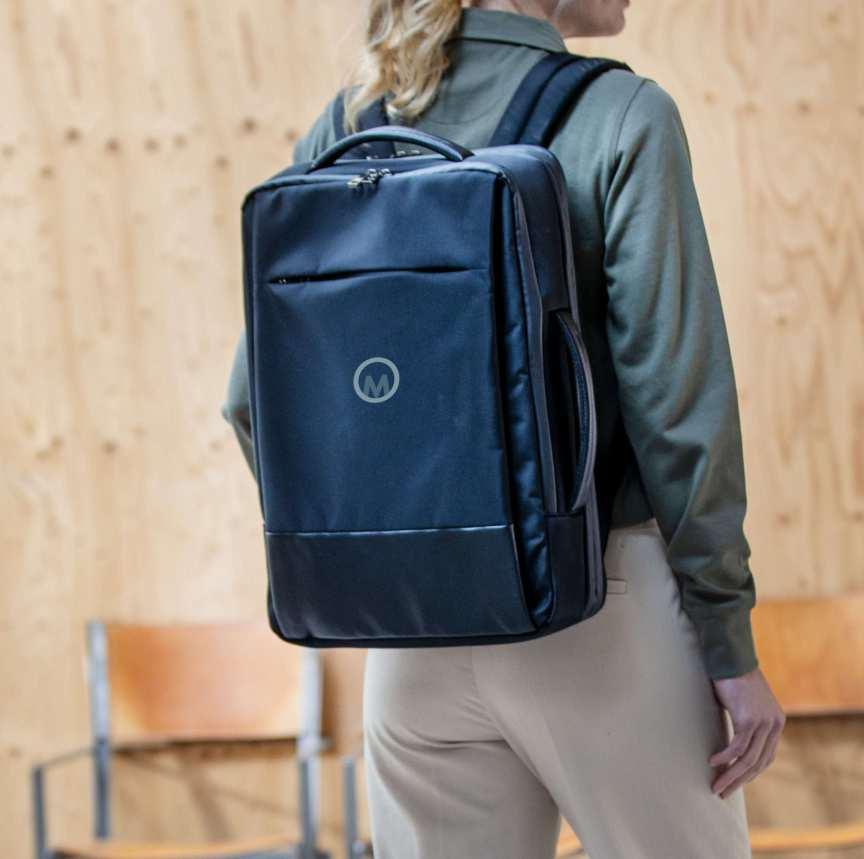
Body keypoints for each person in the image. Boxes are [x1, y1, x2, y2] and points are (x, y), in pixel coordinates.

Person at [221, 1, 787, 856]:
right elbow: (679, 414)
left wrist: (385, 551)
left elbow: (250, 400)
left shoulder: (355, 122)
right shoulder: (621, 115)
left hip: (411, 645)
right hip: (596, 611)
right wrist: (728, 640)